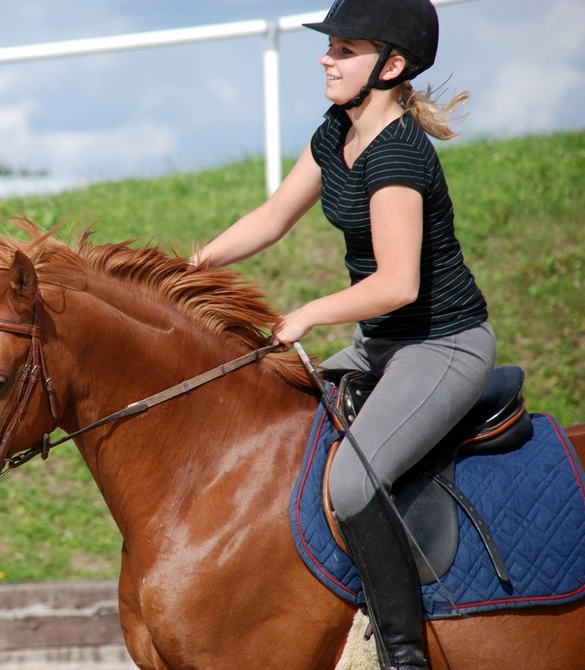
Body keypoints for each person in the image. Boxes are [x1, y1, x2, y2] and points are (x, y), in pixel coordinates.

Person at [189, 0, 495, 668]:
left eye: (345, 47)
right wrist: (191, 266)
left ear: (390, 65)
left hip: (441, 347)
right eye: (331, 46)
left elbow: (397, 285)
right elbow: (272, 217)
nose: (327, 57)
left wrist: (308, 314)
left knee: (354, 483)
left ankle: (402, 651)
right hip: (380, 345)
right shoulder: (337, 131)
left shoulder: (398, 157)